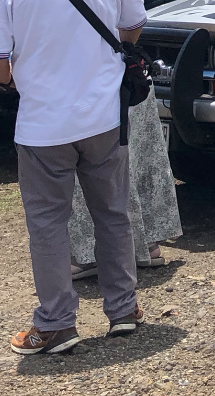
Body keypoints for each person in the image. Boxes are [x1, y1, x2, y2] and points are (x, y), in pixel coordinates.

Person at [0, 0, 147, 356]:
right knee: (112, 213)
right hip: (103, 118)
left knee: (48, 224)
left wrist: (19, 81)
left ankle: (56, 324)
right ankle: (124, 310)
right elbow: (134, 22)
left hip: (43, 126)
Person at [69, 93, 181, 279]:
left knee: (92, 154)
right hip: (130, 77)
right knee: (137, 148)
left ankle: (88, 254)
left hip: (93, 84)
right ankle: (145, 243)